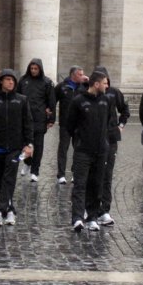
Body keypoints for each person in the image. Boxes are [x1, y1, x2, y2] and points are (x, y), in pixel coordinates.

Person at [66, 71, 115, 232]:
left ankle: (92, 217)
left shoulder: (106, 101)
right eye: (105, 83)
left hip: (101, 151)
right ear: (96, 84)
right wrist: (80, 140)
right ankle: (78, 218)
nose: (107, 86)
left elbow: (107, 122)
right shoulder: (78, 101)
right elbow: (69, 125)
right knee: (80, 184)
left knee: (96, 185)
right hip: (83, 151)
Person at [0, 69, 34, 226]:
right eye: (7, 79)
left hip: (16, 149)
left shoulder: (22, 100)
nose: (11, 82)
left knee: (9, 178)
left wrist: (29, 144)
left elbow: (28, 124)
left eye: (13, 80)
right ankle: (10, 210)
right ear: (1, 82)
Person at [95, 66, 129, 226]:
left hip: (110, 138)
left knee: (107, 175)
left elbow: (125, 110)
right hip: (93, 140)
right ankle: (91, 208)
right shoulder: (88, 95)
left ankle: (104, 210)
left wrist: (120, 125)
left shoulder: (114, 93)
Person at [17, 58, 56, 182]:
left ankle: (35, 171)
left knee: (38, 146)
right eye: (32, 69)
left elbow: (51, 102)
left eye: (36, 69)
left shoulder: (47, 82)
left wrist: (51, 119)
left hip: (39, 118)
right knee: (25, 143)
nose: (33, 71)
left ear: (40, 69)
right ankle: (28, 162)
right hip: (24, 118)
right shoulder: (23, 80)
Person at [54, 66, 87, 184]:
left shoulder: (84, 87)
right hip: (65, 123)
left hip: (80, 124)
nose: (83, 76)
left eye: (83, 74)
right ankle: (61, 174)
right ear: (73, 75)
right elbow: (52, 101)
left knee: (78, 149)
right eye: (80, 74)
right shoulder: (62, 87)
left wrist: (89, 82)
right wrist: (50, 117)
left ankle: (75, 173)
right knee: (63, 148)